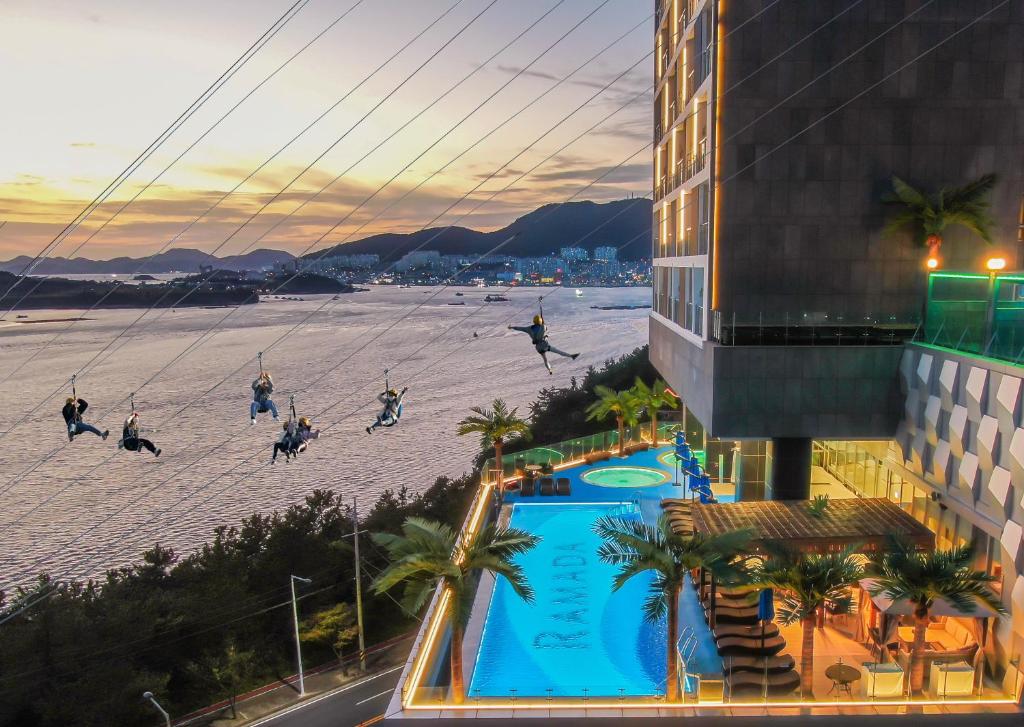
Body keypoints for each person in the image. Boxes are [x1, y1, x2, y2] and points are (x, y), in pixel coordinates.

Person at [508, 313, 579, 374]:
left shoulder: (529, 329)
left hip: (538, 348)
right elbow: (545, 327)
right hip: (545, 345)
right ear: (540, 321)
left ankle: (550, 369)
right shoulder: (543, 327)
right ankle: (571, 356)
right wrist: (544, 331)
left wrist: (511, 327)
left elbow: (520, 328)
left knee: (545, 360)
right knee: (558, 351)